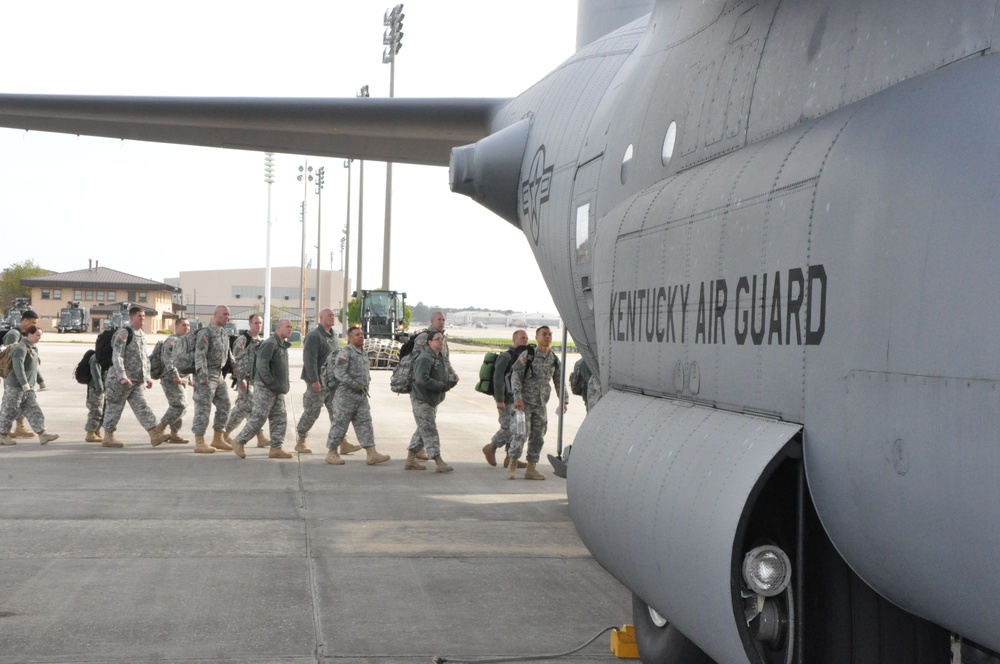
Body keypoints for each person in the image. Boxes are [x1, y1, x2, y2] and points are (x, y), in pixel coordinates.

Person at [100, 307, 171, 448]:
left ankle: (154, 435)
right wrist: (122, 376)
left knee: (142, 407)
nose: (142, 318)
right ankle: (108, 437)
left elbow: (144, 357)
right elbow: (117, 355)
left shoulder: (141, 334)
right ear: (132, 317)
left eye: (143, 316)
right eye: (139, 316)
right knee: (114, 407)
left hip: (137, 380)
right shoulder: (124, 332)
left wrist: (147, 377)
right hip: (121, 381)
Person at [295, 308, 360, 456]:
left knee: (337, 413)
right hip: (318, 382)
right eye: (329, 315)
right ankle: (301, 440)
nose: (333, 317)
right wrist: (314, 380)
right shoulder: (314, 336)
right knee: (312, 412)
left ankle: (343, 443)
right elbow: (309, 360)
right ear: (321, 318)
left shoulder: (333, 336)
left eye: (333, 315)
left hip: (332, 383)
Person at [507, 325, 568, 480]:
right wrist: (517, 397)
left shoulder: (554, 359)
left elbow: (559, 381)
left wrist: (564, 400)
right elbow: (516, 376)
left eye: (549, 334)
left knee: (538, 437)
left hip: (541, 405)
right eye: (544, 334)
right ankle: (512, 464)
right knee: (520, 434)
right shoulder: (528, 355)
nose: (547, 337)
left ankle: (531, 468)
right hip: (524, 404)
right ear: (537, 337)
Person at [323, 327, 390, 466]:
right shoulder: (345, 352)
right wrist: (354, 384)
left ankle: (371, 453)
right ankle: (332, 452)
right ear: (350, 338)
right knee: (340, 424)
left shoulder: (363, 353)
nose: (361, 336)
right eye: (357, 334)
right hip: (346, 396)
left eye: (362, 334)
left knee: (365, 423)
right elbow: (339, 373)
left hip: (361, 396)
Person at [232, 318, 293, 459]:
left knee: (280, 417)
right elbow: (262, 365)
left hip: (277, 389)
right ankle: (239, 441)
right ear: (278, 328)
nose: (290, 329)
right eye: (287, 327)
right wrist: (270, 383)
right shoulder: (270, 343)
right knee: (259, 417)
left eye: (291, 327)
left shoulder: (282, 345)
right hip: (266, 388)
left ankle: (276, 448)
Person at [407, 311, 458, 459]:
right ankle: (435, 458)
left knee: (426, 422)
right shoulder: (426, 338)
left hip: (433, 390)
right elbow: (423, 362)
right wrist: (441, 384)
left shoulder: (440, 338)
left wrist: (451, 374)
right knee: (428, 425)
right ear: (431, 321)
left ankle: (414, 453)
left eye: (443, 319)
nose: (441, 322)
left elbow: (443, 360)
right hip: (422, 389)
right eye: (438, 319)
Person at [0, 325, 58, 445]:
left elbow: (34, 367)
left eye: (40, 335)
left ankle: (42, 434)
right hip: (15, 386)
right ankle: (2, 435)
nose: (39, 338)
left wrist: (40, 381)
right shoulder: (20, 348)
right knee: (9, 410)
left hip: (27, 387)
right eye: (37, 335)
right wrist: (24, 384)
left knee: (34, 409)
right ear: (29, 334)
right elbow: (18, 368)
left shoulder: (32, 348)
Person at [482, 329, 530, 469]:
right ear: (514, 340)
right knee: (508, 427)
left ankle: (510, 457)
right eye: (522, 338)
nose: (525, 340)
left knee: (518, 428)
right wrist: (499, 399)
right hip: (506, 399)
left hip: (518, 399)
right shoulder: (506, 356)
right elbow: (498, 378)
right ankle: (491, 447)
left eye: (526, 338)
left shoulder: (524, 357)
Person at [191, 305, 235, 454]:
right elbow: (200, 354)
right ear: (215, 315)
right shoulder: (206, 332)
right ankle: (199, 441)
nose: (227, 317)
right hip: (206, 375)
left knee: (225, 405)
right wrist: (202, 376)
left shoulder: (223, 332)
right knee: (203, 407)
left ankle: (218, 438)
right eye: (224, 314)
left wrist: (235, 368)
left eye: (228, 315)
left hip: (218, 374)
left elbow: (228, 353)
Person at [223, 314, 270, 449]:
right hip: (244, 379)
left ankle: (260, 437)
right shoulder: (243, 340)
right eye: (256, 323)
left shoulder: (259, 340)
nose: (258, 325)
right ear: (250, 324)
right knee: (245, 407)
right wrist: (240, 379)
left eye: (260, 323)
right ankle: (225, 433)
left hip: (254, 380)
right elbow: (235, 361)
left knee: (249, 408)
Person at [2, 309, 45, 440]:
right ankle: (10, 429)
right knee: (10, 404)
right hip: (12, 376)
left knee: (21, 403)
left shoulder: (25, 336)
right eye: (32, 322)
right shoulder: (14, 334)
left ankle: (19, 427)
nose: (33, 325)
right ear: (24, 320)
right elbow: (9, 357)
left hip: (21, 377)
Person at [152, 317, 192, 444]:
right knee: (179, 405)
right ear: (176, 327)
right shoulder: (172, 340)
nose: (187, 328)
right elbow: (167, 360)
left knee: (182, 407)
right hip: (170, 378)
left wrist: (189, 377)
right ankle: (160, 428)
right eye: (184, 325)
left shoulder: (185, 341)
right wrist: (175, 375)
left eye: (188, 325)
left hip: (182, 378)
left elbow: (184, 361)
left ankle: (174, 434)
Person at [83, 339, 106, 442]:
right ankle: (90, 432)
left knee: (104, 410)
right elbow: (95, 372)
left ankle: (96, 430)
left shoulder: (106, 356)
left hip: (104, 387)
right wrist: (99, 387)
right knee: (96, 410)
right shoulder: (96, 357)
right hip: (96, 388)